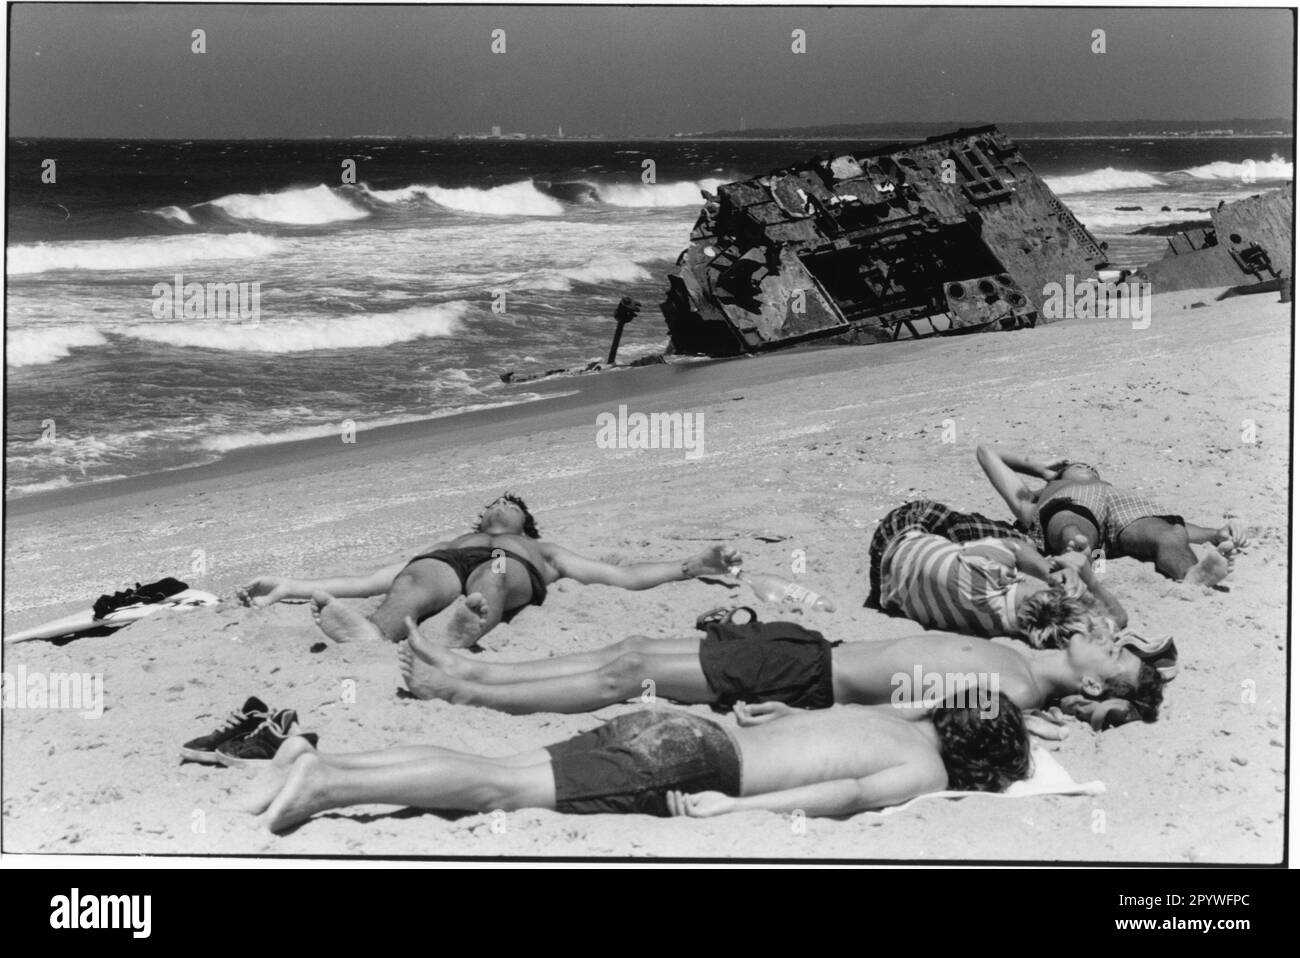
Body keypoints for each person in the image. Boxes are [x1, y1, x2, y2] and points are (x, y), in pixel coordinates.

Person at [237, 695, 1032, 832]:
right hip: (698, 760)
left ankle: (322, 761)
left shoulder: (887, 716)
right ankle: (330, 785)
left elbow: (823, 744)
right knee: (503, 789)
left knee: (495, 764)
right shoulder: (925, 767)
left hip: (675, 726)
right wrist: (739, 811)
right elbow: (852, 792)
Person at [395, 611, 1163, 729]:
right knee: (629, 655)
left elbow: (920, 713)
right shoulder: (1017, 651)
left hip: (809, 682)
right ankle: (471, 671)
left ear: (1093, 681)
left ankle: (458, 687)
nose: (1108, 637)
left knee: (627, 679)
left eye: (1115, 651)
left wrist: (799, 716)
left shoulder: (1017, 686)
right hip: (810, 649)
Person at [238, 493, 741, 647]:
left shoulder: (544, 549)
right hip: (446, 564)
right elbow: (370, 581)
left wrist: (688, 566)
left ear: (527, 521)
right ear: (480, 518)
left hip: (511, 567)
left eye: (511, 503)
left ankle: (461, 635)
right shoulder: (448, 541)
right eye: (494, 503)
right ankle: (371, 636)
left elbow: (623, 577)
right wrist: (290, 586)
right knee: (411, 581)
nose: (501, 505)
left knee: (494, 576)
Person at [975, 445, 1248, 585]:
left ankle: (1190, 574)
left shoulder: (1109, 488)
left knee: (1169, 532)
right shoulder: (1037, 496)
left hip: (1119, 505)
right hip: (1070, 504)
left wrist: (1214, 534)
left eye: (1090, 467)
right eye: (1076, 465)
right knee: (1073, 526)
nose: (1086, 467)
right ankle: (1079, 551)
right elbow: (985, 451)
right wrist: (1040, 468)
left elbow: (1181, 527)